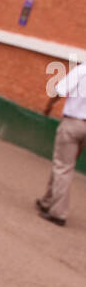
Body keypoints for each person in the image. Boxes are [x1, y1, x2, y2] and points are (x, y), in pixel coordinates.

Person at [37, 60, 86, 225]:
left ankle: (58, 213)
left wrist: (48, 106)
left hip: (73, 123)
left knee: (62, 166)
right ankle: (47, 201)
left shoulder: (81, 71)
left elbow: (59, 90)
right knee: (64, 163)